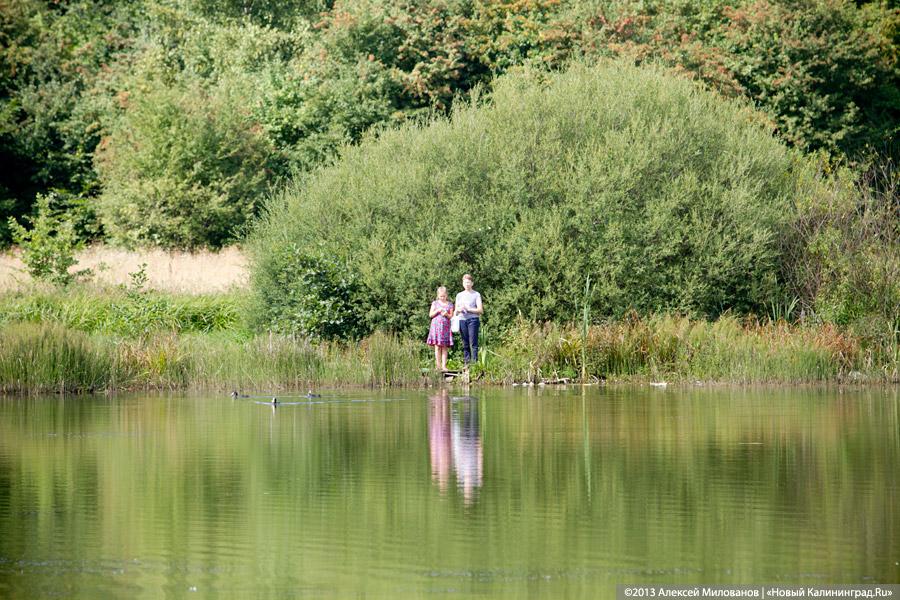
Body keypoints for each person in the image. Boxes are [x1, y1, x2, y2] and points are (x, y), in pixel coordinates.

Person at [454, 274, 483, 367]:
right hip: (462, 320)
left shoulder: (476, 294)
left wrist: (469, 308)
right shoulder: (459, 295)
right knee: (465, 343)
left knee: (473, 342)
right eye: (465, 282)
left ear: (472, 283)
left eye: (468, 282)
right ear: (462, 283)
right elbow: (455, 312)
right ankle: (467, 363)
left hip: (473, 320)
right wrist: (458, 310)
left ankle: (475, 364)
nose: (467, 284)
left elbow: (480, 310)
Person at [426, 286, 454, 371]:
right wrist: (437, 311)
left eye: (444, 296)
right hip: (436, 327)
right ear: (438, 295)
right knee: (437, 347)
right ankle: (438, 366)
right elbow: (430, 315)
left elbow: (451, 316)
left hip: (446, 328)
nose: (442, 298)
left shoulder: (450, 304)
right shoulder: (435, 303)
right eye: (441, 296)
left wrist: (446, 314)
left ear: (446, 295)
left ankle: (444, 366)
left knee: (444, 347)